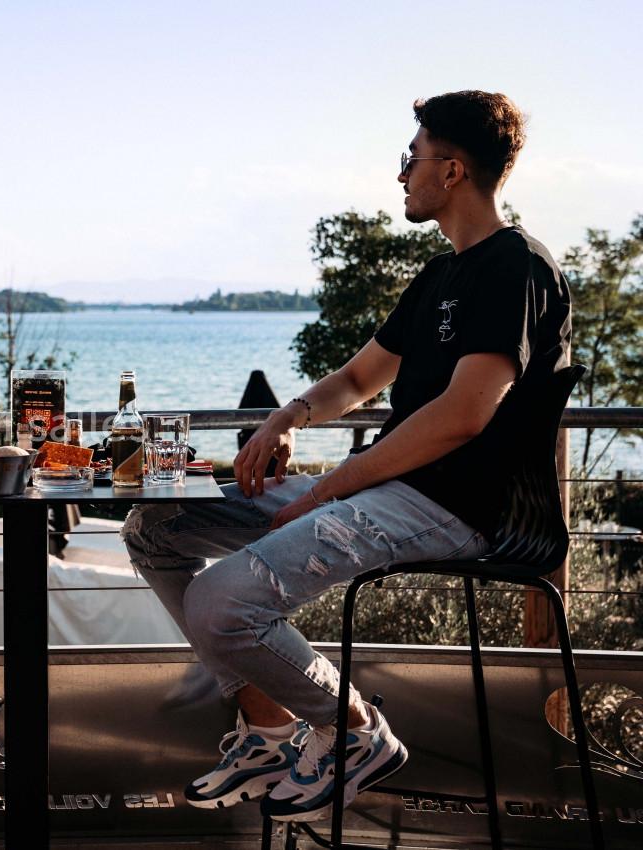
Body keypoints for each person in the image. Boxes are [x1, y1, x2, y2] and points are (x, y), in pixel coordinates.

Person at [123, 90, 571, 822]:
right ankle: (268, 726)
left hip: (463, 508)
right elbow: (362, 378)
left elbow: (463, 416)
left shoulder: (516, 267)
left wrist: (330, 487)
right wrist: (287, 418)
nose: (402, 174)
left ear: (452, 171)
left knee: (219, 600)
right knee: (156, 524)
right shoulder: (440, 276)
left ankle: (355, 732)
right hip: (388, 492)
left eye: (412, 157)